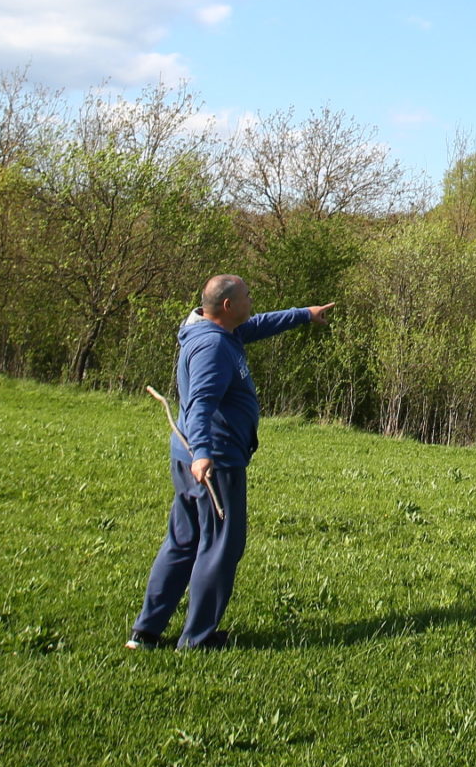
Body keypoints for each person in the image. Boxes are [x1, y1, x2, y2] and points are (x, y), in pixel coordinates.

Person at [128, 275, 332, 651]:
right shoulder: (212, 347)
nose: (252, 301)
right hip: (214, 462)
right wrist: (203, 453)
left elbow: (258, 324)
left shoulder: (222, 333)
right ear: (227, 306)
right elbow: (200, 404)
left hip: (192, 456)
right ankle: (198, 639)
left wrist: (304, 314)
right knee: (221, 546)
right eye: (247, 297)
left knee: (184, 541)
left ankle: (146, 632)